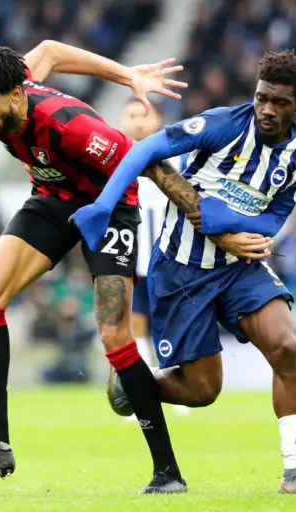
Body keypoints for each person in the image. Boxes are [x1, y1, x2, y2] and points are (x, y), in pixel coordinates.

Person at [0, 40, 198, 494]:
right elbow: (50, 50)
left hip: (109, 207)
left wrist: (208, 220)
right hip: (52, 200)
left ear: (15, 95)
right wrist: (127, 75)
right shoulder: (16, 81)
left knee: (115, 336)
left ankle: (167, 472)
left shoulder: (72, 127)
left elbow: (145, 162)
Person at [72, 50, 296, 494]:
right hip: (182, 271)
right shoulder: (224, 124)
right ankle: (134, 384)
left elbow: (275, 217)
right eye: (262, 98)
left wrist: (223, 224)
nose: (267, 109)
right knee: (202, 392)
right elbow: (147, 150)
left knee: (286, 348)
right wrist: (102, 205)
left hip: (238, 268)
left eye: (279, 102)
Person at [119, 98, 190, 419]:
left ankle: (180, 392)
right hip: (132, 262)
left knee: (172, 328)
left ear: (158, 119)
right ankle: (140, 395)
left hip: (171, 262)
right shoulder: (116, 159)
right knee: (135, 329)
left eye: (144, 114)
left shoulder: (178, 157)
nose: (137, 121)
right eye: (131, 115)